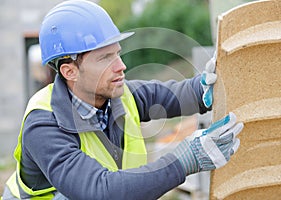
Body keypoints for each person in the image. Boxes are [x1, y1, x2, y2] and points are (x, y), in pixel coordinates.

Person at [2, 0, 243, 199]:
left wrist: (207, 86)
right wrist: (186, 160)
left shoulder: (119, 95)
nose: (121, 66)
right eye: (105, 58)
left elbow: (179, 95)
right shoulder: (44, 125)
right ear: (70, 72)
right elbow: (99, 191)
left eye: (117, 53)